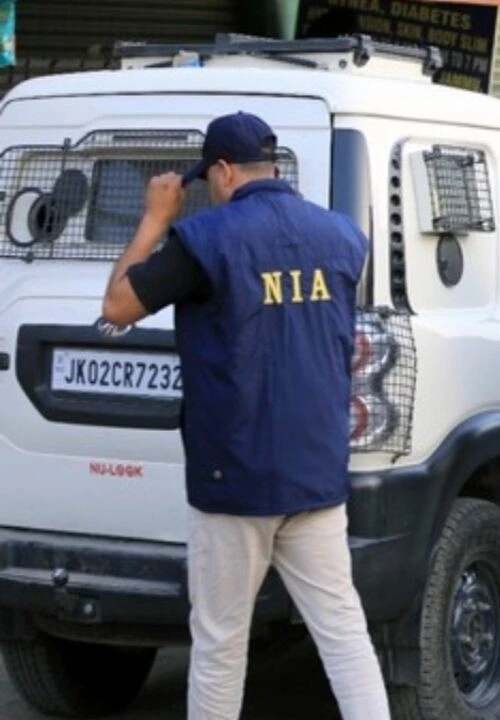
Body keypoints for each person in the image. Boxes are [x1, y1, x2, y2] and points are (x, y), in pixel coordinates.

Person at [99, 112, 390, 719]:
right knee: (343, 633)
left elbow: (119, 306)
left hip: (235, 477)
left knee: (220, 642)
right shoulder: (341, 235)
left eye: (209, 178)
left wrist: (155, 219)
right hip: (315, 474)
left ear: (225, 171)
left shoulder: (205, 239)